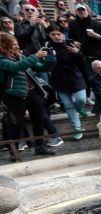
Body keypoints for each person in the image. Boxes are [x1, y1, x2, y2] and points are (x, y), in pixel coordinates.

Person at [0, 32, 55, 160]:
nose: (16, 46)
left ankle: (40, 147)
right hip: (13, 94)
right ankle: (14, 152)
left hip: (31, 90)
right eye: (13, 44)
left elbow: (41, 68)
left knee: (39, 118)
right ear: (3, 45)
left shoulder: (19, 55)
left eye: (16, 43)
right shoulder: (1, 59)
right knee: (16, 124)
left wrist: (50, 59)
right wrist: (35, 56)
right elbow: (15, 67)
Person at [47, 26, 86, 140]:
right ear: (50, 36)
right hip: (59, 79)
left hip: (74, 76)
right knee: (68, 105)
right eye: (53, 34)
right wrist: (50, 57)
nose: (56, 36)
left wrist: (78, 53)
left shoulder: (70, 44)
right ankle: (78, 128)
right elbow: (46, 65)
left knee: (81, 99)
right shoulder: (48, 47)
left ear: (63, 35)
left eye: (58, 34)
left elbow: (82, 61)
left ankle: (79, 107)